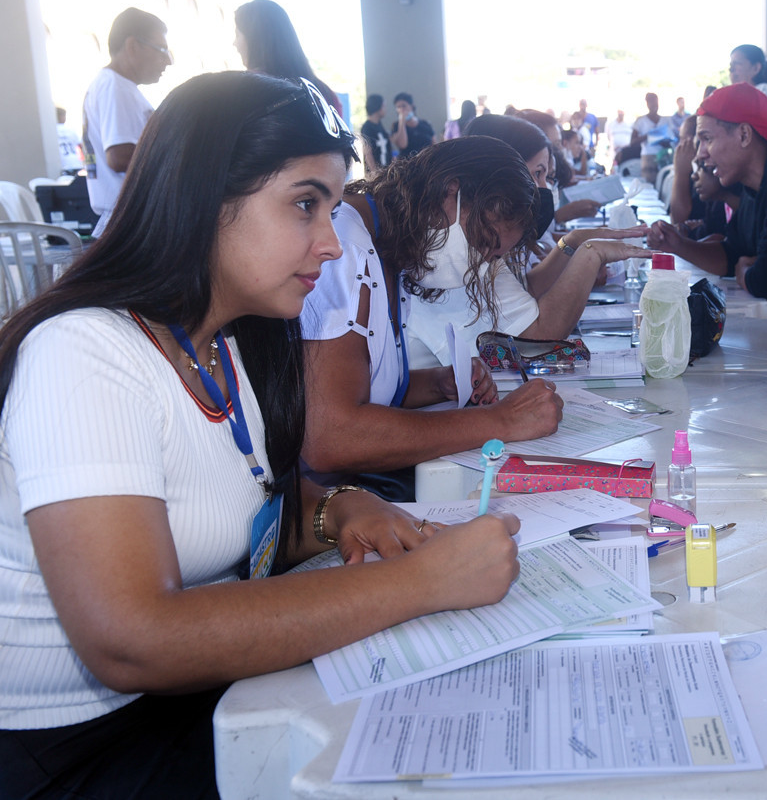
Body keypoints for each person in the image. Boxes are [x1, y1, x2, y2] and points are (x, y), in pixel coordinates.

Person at [0, 71, 522, 798]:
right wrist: (422, 583)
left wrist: (338, 508)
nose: (331, 244)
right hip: (74, 754)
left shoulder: (231, 343)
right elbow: (132, 637)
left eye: (334, 208)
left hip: (195, 705)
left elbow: (256, 502)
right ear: (205, 197)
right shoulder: (84, 353)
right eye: (305, 204)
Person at [301, 135, 569, 491]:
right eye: (482, 244)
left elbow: (355, 387)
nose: (480, 265)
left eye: (492, 258)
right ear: (449, 192)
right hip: (316, 496)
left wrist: (437, 383)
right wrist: (500, 421)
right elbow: (330, 437)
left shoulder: (390, 249)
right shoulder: (344, 248)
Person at [647, 83, 767, 321]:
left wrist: (746, 269)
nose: (700, 153)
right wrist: (677, 244)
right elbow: (731, 254)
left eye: (706, 139)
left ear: (744, 135)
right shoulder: (754, 185)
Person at [463, 114, 646, 302]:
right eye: (537, 173)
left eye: (547, 177)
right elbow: (536, 320)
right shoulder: (477, 245)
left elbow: (527, 287)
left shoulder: (501, 234)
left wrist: (574, 241)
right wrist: (587, 258)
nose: (544, 187)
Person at [82, 7, 170, 238]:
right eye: (161, 50)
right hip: (129, 222)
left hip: (123, 219)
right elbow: (119, 157)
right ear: (132, 46)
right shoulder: (116, 86)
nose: (167, 61)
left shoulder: (112, 85)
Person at [233, 0, 342, 118]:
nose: (234, 43)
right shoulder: (324, 93)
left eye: (237, 35)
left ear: (254, 40)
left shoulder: (245, 91)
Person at [389, 92, 435, 158]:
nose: (401, 109)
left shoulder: (425, 124)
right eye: (398, 107)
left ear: (411, 106)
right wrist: (402, 122)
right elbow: (402, 144)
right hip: (407, 163)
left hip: (425, 161)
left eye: (404, 106)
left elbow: (434, 144)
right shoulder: (396, 126)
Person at [360, 93, 392, 174]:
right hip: (376, 175)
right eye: (384, 106)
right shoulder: (367, 127)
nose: (385, 109)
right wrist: (375, 172)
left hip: (385, 171)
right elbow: (368, 152)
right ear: (378, 107)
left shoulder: (379, 125)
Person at [55, 107, 84, 175]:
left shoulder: (51, 130)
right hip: (76, 163)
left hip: (64, 165)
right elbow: (82, 146)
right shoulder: (71, 130)